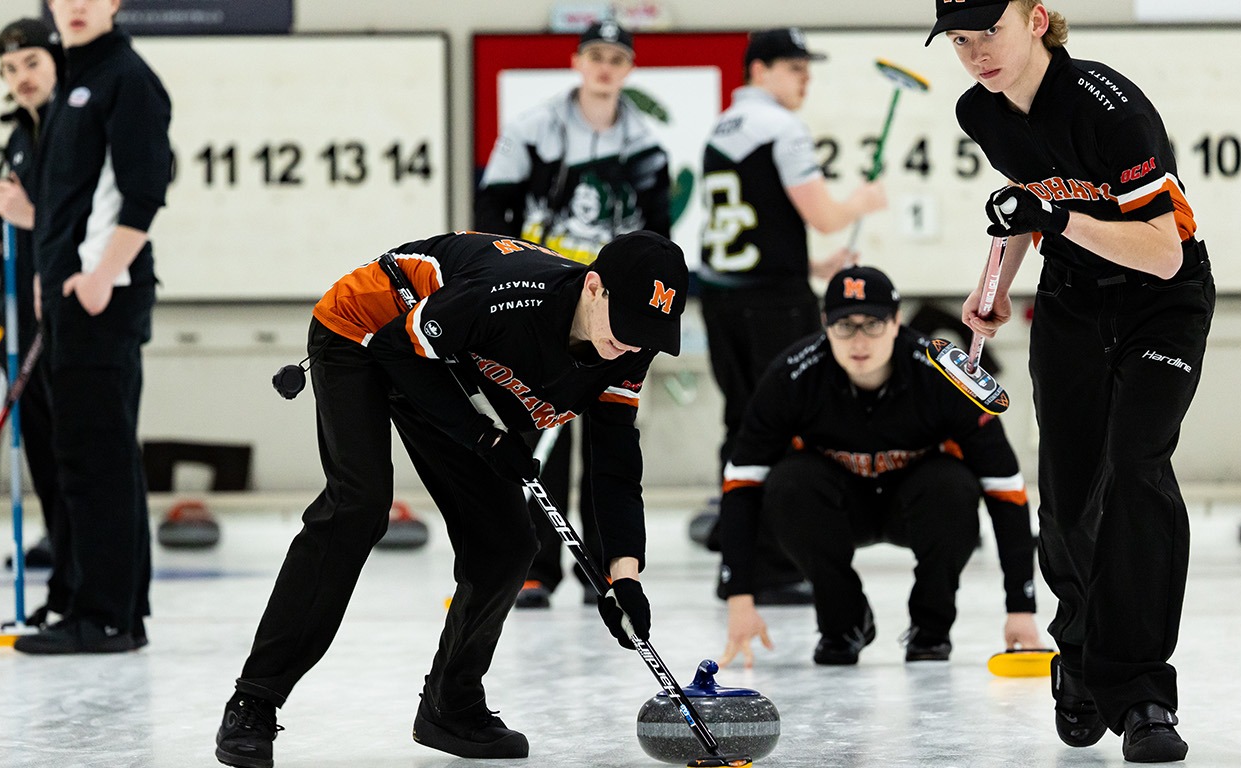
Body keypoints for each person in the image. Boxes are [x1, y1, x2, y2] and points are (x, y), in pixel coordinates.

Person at [214, 230, 687, 766]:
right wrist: (485, 438)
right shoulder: (508, 296)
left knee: (507, 544)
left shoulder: (630, 347)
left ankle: (451, 706)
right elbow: (397, 348)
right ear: (594, 288)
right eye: (628, 326)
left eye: (650, 333)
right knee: (359, 506)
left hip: (444, 365)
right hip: (366, 330)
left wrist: (624, 577)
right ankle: (254, 700)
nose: (633, 345)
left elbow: (617, 465)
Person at [927, 1, 1214, 762]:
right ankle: (1080, 656)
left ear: (1036, 19)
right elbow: (1026, 202)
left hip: (1161, 305)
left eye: (990, 31)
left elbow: (1163, 254)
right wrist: (994, 288)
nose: (976, 53)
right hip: (1071, 305)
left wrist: (1052, 217)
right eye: (960, 40)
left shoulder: (1111, 109)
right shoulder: (981, 110)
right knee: (1068, 494)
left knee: (1135, 468)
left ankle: (1143, 692)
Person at [717, 265, 1040, 668]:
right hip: (838, 509)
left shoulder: (944, 376)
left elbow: (1005, 488)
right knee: (788, 484)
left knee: (952, 484)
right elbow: (740, 484)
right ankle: (843, 624)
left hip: (917, 507)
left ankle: (931, 628)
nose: (858, 341)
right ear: (824, 324)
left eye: (872, 325)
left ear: (896, 321)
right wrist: (739, 597)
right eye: (844, 326)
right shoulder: (791, 377)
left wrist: (1021, 608)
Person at [475, 19, 672, 610]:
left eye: (617, 58)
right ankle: (538, 566)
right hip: (547, 300)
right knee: (536, 424)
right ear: (577, 61)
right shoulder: (533, 129)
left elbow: (658, 234)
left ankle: (601, 566)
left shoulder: (646, 144)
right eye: (596, 55)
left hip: (611, 307)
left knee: (609, 432)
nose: (605, 67)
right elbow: (492, 209)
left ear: (629, 68)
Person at [694, 28, 889, 597]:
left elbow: (749, 227)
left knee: (741, 423)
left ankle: (738, 561)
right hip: (773, 307)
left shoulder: (721, 128)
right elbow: (824, 215)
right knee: (785, 428)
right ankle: (774, 566)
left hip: (723, 300)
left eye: (807, 68)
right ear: (758, 70)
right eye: (793, 67)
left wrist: (810, 265)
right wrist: (863, 201)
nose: (805, 78)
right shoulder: (782, 127)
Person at [14, 0, 171, 655]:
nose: (75, 6)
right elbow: (62, 202)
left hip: (102, 297)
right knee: (93, 456)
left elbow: (145, 187)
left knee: (94, 461)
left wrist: (101, 275)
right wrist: (45, 280)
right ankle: (114, 608)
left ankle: (103, 616)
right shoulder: (74, 81)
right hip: (69, 295)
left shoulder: (126, 79)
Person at [0, 17, 68, 627]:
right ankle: (65, 591)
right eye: (10, 69)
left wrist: (26, 215)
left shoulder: (74, 128)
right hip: (20, 322)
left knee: (76, 461)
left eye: (32, 63)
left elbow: (82, 225)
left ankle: (92, 598)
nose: (21, 78)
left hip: (67, 319)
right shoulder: (19, 135)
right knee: (44, 458)